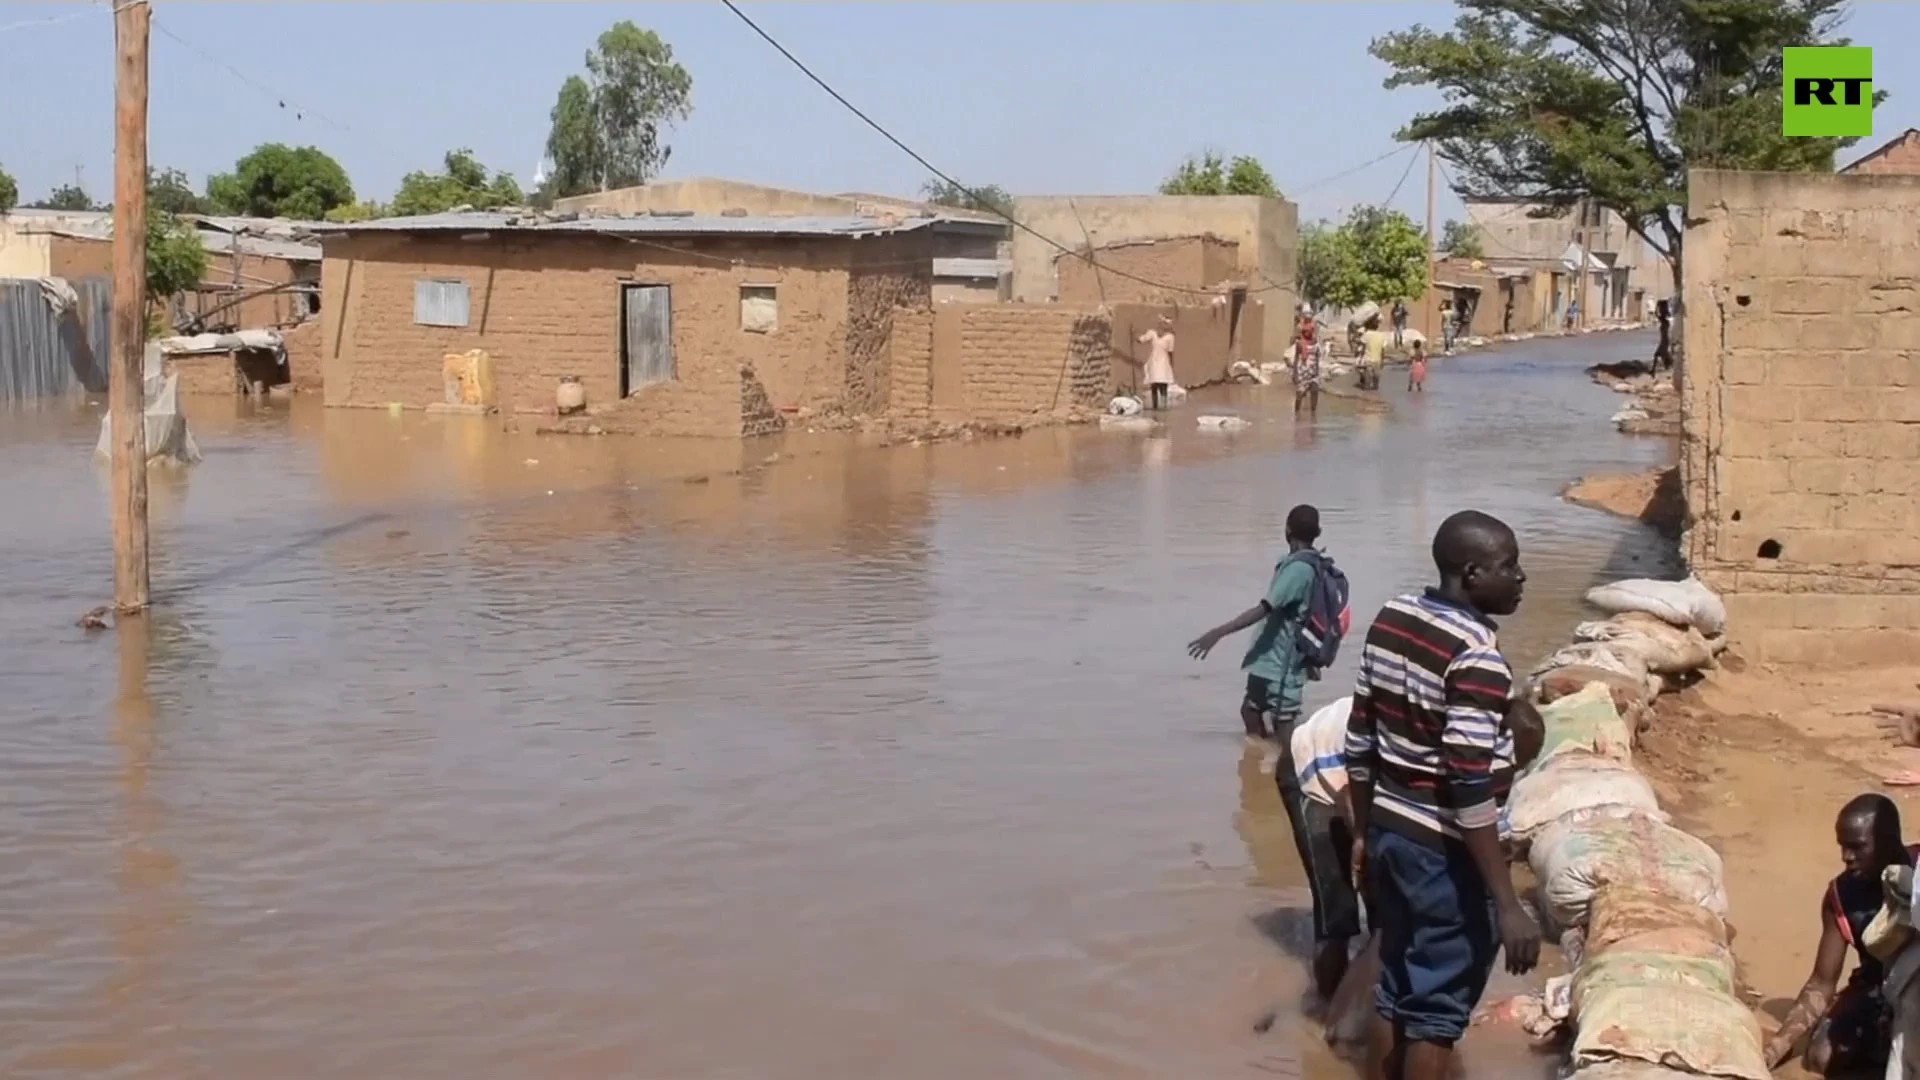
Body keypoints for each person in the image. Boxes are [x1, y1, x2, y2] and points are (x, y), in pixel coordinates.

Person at [1345, 509, 1538, 1080]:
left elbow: (1361, 740)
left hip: (1389, 835)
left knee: (1396, 988)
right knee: (1436, 1014)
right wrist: (1507, 902)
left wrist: (1361, 833)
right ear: (1472, 573)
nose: (1522, 578)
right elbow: (1467, 781)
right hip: (1442, 855)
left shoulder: (1394, 617)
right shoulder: (1476, 654)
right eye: (1511, 567)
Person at [1316, 698, 1547, 1049]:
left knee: (1390, 952)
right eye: (1514, 761)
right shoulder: (1460, 756)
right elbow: (1351, 788)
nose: (1513, 771)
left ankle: (1342, 1032)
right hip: (1326, 781)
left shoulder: (1452, 739)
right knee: (1346, 925)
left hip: (1389, 826)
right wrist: (1363, 844)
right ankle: (1334, 1023)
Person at [1765, 795, 1920, 1075]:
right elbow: (1822, 983)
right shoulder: (1843, 896)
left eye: (1857, 847)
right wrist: (1776, 1047)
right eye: (1843, 846)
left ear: (1889, 840)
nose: (1846, 857)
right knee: (1821, 1056)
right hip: (1879, 990)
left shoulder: (1919, 870)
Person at [1188, 505, 1330, 747]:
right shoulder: (1300, 563)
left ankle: (1284, 774)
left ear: (1286, 529)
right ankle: (1260, 766)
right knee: (1250, 711)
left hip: (1283, 667)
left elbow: (1263, 609)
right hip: (1267, 660)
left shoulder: (1298, 571)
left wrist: (1219, 632)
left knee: (1284, 730)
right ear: (1317, 532)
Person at [1137, 316, 1176, 411]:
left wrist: (1135, 335)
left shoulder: (1167, 336)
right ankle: (1161, 407)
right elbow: (1170, 352)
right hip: (1160, 363)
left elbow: (1141, 340)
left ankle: (1158, 407)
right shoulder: (1163, 336)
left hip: (1158, 363)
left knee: (1157, 386)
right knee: (1160, 386)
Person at [1294, 304, 1322, 416]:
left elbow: (1318, 359)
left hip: (1314, 372)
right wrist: (1295, 374)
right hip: (1302, 372)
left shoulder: (1317, 345)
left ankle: (1313, 415)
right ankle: (1297, 414)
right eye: (1307, 331)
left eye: (1311, 330)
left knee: (1314, 392)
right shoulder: (1299, 344)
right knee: (1300, 394)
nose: (1309, 333)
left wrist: (1318, 373)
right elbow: (1296, 358)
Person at [1359, 316, 1388, 392]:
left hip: (1368, 359)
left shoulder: (1367, 334)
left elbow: (1362, 346)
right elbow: (1383, 350)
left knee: (1367, 381)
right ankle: (1375, 396)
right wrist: (1383, 361)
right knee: (1376, 380)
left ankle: (1366, 398)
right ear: (1377, 327)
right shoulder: (1382, 335)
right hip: (1377, 360)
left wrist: (1360, 358)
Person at [1654, 299, 1673, 372]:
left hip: (1664, 341)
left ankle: (1654, 371)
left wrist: (1657, 305)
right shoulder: (1665, 319)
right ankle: (1668, 366)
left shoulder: (1664, 320)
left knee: (1658, 355)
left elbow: (1656, 313)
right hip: (1664, 340)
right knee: (1662, 355)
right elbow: (1656, 314)